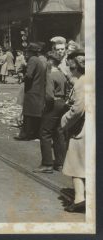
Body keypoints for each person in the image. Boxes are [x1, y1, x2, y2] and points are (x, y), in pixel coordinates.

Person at [33, 51, 68, 174]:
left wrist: (46, 108)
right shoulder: (61, 74)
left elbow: (49, 95)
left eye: (48, 60)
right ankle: (60, 163)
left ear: (51, 61)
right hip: (62, 103)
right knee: (59, 133)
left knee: (45, 132)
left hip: (53, 105)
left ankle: (47, 164)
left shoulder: (50, 74)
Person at [61, 48, 86, 213]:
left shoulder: (81, 83)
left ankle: (79, 199)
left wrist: (65, 121)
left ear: (77, 67)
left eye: (71, 68)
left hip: (82, 130)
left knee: (76, 164)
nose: (70, 72)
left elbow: (78, 110)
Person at [15, 43, 47, 141]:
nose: (26, 54)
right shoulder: (38, 60)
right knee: (35, 114)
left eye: (27, 52)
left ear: (31, 52)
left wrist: (23, 78)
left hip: (32, 90)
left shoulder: (32, 60)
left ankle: (26, 134)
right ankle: (35, 133)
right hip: (38, 90)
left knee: (28, 113)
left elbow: (29, 75)